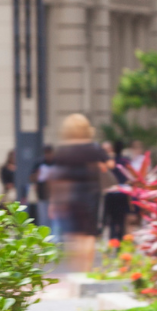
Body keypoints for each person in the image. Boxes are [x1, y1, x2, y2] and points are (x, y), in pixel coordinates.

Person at [47, 115, 114, 271]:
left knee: (73, 235)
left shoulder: (63, 150)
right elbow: (110, 164)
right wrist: (99, 165)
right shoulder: (94, 148)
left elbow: (56, 178)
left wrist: (53, 202)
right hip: (91, 194)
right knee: (89, 234)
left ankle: (76, 269)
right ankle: (86, 269)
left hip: (70, 196)